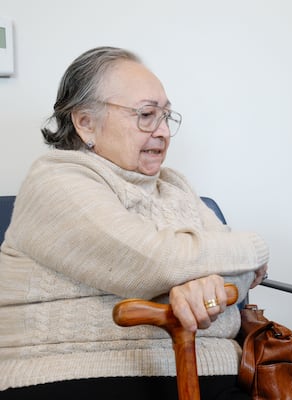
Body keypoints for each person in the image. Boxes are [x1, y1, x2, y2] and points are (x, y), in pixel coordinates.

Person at [0, 46, 269, 400]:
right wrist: (255, 249)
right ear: (85, 122)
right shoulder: (55, 181)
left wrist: (200, 281)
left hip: (214, 373)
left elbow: (245, 275)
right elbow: (150, 262)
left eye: (166, 116)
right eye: (146, 115)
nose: (162, 132)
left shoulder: (175, 186)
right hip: (81, 376)